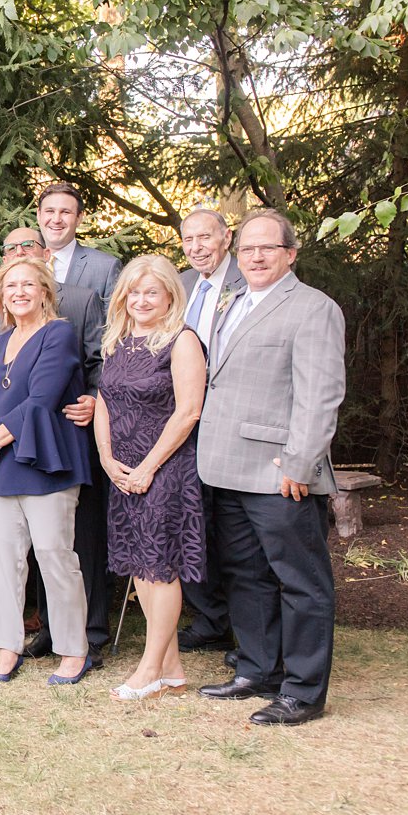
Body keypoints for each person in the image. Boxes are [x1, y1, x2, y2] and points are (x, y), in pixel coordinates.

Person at [196, 209, 344, 727]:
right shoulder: (233, 301)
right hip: (226, 467)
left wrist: (301, 462)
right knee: (245, 575)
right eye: (248, 249)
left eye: (267, 248)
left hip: (280, 470)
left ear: (290, 254)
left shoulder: (312, 308)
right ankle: (257, 670)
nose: (255, 257)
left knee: (301, 583)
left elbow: (320, 394)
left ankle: (302, 692)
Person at [0, 226, 109, 666]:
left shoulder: (59, 334)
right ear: (1, 294)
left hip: (47, 462)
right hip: (3, 467)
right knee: (4, 564)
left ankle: (74, 651)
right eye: (11, 285)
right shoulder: (0, 341)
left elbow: (41, 400)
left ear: (44, 292)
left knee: (56, 558)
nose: (19, 292)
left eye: (28, 285)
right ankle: (8, 648)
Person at [94, 256, 206, 700]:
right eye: (134, 292)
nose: (140, 300)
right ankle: (173, 669)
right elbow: (103, 401)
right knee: (142, 568)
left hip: (165, 469)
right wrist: (106, 457)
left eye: (151, 293)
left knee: (160, 570)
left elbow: (189, 412)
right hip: (123, 470)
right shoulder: (118, 340)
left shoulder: (182, 341)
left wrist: (149, 467)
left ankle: (149, 669)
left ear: (168, 298)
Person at [175, 207, 246, 655]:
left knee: (231, 529)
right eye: (189, 239)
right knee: (189, 519)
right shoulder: (180, 285)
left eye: (206, 237)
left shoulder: (248, 280)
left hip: (228, 419)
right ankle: (210, 618)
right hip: (182, 420)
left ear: (226, 238)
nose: (197, 247)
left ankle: (246, 629)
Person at [36, 182, 122, 307]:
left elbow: (114, 323)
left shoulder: (106, 268)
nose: (56, 220)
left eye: (65, 212)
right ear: (39, 215)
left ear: (79, 218)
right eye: (50, 211)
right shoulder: (22, 261)